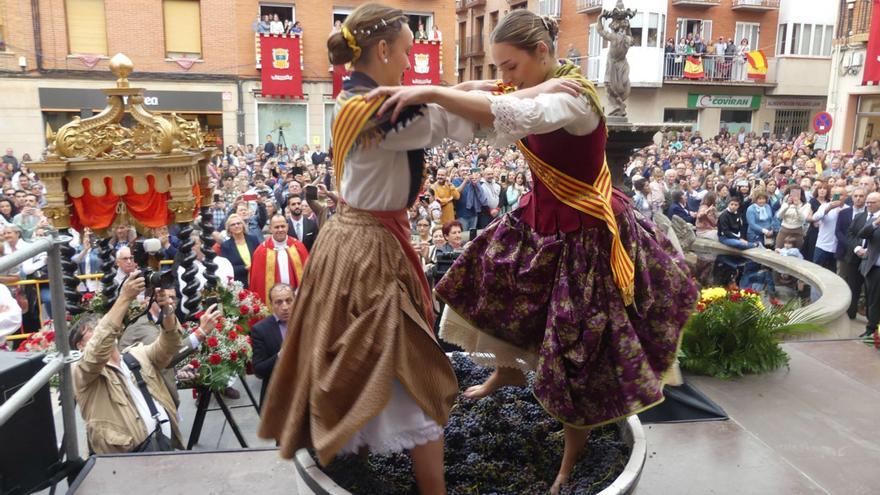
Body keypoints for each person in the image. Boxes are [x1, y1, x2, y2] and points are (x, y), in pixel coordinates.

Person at [368, 9, 697, 493]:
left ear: (542, 53)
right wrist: (466, 85)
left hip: (585, 240)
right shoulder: (542, 81)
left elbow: (522, 111)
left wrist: (430, 91)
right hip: (538, 221)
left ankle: (570, 458)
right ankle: (505, 372)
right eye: (500, 67)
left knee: (574, 353)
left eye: (511, 66)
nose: (503, 76)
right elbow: (498, 89)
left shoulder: (573, 99)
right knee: (494, 288)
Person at [258, 6, 514, 493]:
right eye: (405, 50)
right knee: (413, 365)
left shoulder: (360, 98)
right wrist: (503, 95)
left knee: (367, 355)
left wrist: (467, 90)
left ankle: (356, 447)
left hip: (356, 241)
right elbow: (436, 120)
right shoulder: (375, 109)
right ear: (382, 50)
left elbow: (428, 103)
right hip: (370, 252)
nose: (410, 60)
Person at [69, 274, 220, 454]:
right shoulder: (81, 370)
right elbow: (98, 350)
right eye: (94, 330)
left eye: (101, 325)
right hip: (124, 463)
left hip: (163, 447)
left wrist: (167, 310)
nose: (103, 331)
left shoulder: (135, 354)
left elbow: (170, 346)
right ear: (80, 345)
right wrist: (125, 297)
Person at [248, 215, 308, 304]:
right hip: (272, 303)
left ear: (287, 227)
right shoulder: (261, 251)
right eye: (276, 227)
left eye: (283, 226)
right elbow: (257, 283)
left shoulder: (298, 247)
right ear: (270, 228)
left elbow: (308, 276)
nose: (280, 230)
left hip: (296, 300)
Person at [251, 283, 294, 407]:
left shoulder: (308, 323)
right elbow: (259, 370)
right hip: (278, 397)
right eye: (279, 302)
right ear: (271, 305)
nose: (285, 306)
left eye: (288, 300)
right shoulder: (261, 330)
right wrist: (281, 355)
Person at [841, 189, 868, 319]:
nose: (858, 198)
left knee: (870, 289)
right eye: (856, 196)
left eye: (861, 196)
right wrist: (856, 248)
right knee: (853, 286)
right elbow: (849, 233)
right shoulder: (858, 217)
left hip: (872, 259)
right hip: (853, 255)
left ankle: (871, 318)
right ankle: (850, 313)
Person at [856, 192, 880, 338]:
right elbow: (862, 234)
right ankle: (871, 329)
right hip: (874, 267)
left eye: (872, 202)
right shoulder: (873, 219)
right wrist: (875, 223)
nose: (869, 204)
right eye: (868, 202)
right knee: (872, 299)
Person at [220, 214, 261, 287]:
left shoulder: (253, 239)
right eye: (233, 224)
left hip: (256, 278)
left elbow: (261, 257)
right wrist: (245, 268)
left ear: (243, 225)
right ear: (228, 229)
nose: (236, 226)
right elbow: (228, 268)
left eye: (238, 223)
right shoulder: (225, 246)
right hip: (239, 283)